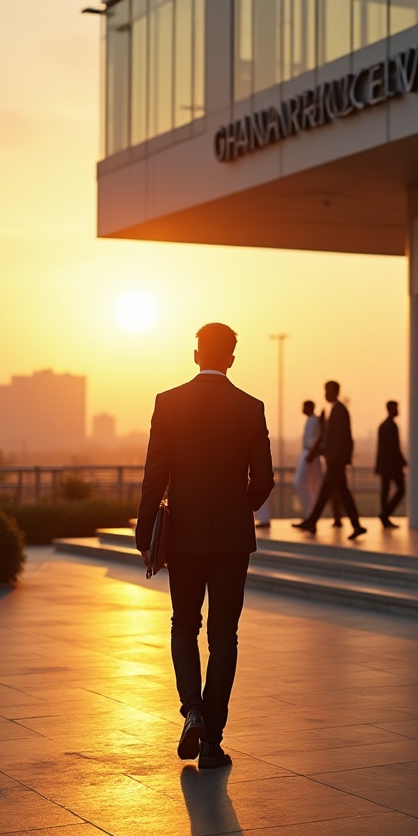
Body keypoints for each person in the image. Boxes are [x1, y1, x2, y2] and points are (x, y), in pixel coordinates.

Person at [135, 323, 273, 770]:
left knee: (183, 625)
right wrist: (238, 507)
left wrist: (145, 529)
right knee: (224, 636)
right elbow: (265, 480)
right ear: (231, 359)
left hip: (186, 536)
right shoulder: (251, 409)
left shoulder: (167, 403)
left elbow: (155, 474)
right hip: (233, 538)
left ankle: (191, 709)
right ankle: (212, 741)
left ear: (196, 355)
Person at [292, 380, 366, 539]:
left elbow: (340, 438)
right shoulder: (335, 410)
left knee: (327, 493)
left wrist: (335, 457)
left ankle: (313, 521)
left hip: (336, 462)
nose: (326, 394)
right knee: (336, 494)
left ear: (335, 392)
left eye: (328, 390)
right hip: (335, 461)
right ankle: (354, 525)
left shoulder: (339, 411)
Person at [374, 400, 406, 528]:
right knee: (400, 490)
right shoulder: (391, 426)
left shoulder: (383, 425)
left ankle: (385, 515)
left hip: (385, 465)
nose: (398, 410)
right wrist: (402, 462)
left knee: (385, 490)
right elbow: (394, 448)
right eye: (396, 408)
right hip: (392, 465)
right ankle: (385, 514)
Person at [292, 400, 324, 519]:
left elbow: (319, 437)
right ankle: (310, 513)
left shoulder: (314, 421)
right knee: (309, 484)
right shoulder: (311, 420)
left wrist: (312, 452)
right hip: (308, 452)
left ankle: (310, 512)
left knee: (299, 483)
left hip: (310, 453)